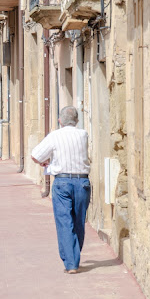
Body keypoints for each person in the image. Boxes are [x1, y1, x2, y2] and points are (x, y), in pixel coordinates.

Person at [31, 106, 91, 274]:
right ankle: (73, 257)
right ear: (77, 121)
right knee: (79, 221)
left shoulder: (55, 136)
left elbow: (35, 155)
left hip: (63, 181)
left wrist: (44, 162)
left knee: (65, 221)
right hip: (82, 182)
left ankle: (71, 263)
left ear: (60, 121)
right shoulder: (83, 134)